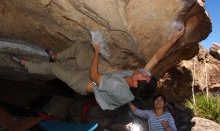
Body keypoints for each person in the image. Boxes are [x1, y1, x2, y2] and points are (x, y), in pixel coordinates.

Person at [10, 28, 184, 110]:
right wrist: (174, 38)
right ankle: (57, 56)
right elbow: (156, 58)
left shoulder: (119, 89)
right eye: (144, 75)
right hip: (100, 76)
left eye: (141, 77)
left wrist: (97, 51)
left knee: (54, 69)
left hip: (86, 84)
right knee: (79, 47)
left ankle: (26, 65)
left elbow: (94, 75)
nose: (141, 73)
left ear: (135, 85)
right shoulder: (142, 78)